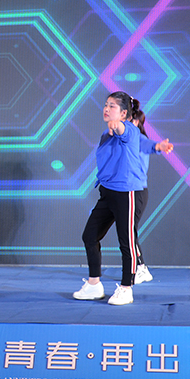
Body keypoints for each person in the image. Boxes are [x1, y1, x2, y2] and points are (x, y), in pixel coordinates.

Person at [74, 92, 144, 305]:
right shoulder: (106, 134)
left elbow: (122, 130)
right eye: (106, 104)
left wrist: (118, 124)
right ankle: (94, 285)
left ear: (123, 113)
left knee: (126, 242)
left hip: (126, 194)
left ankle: (126, 288)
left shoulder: (130, 130)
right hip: (107, 193)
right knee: (89, 236)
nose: (106, 108)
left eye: (112, 106)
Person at [131, 104, 174, 284]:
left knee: (128, 232)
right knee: (127, 231)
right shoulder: (124, 140)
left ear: (135, 122)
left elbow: (149, 145)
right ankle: (139, 267)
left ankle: (140, 268)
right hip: (127, 190)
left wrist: (159, 146)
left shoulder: (138, 139)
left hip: (136, 191)